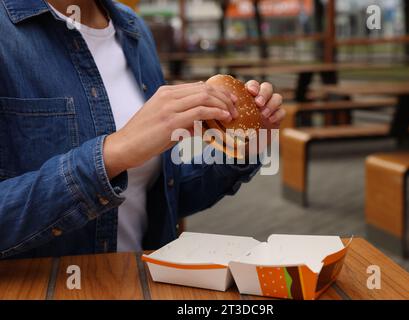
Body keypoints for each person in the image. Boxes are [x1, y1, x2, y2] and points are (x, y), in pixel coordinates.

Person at [0, 0, 285, 259]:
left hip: (142, 282)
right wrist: (113, 154)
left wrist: (242, 149)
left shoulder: (133, 28)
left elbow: (161, 195)